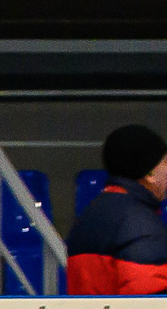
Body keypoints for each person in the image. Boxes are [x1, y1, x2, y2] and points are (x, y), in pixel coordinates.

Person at [64, 124, 167, 297]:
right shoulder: (139, 223)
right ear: (149, 173)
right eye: (165, 162)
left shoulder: (90, 215)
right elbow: (151, 304)